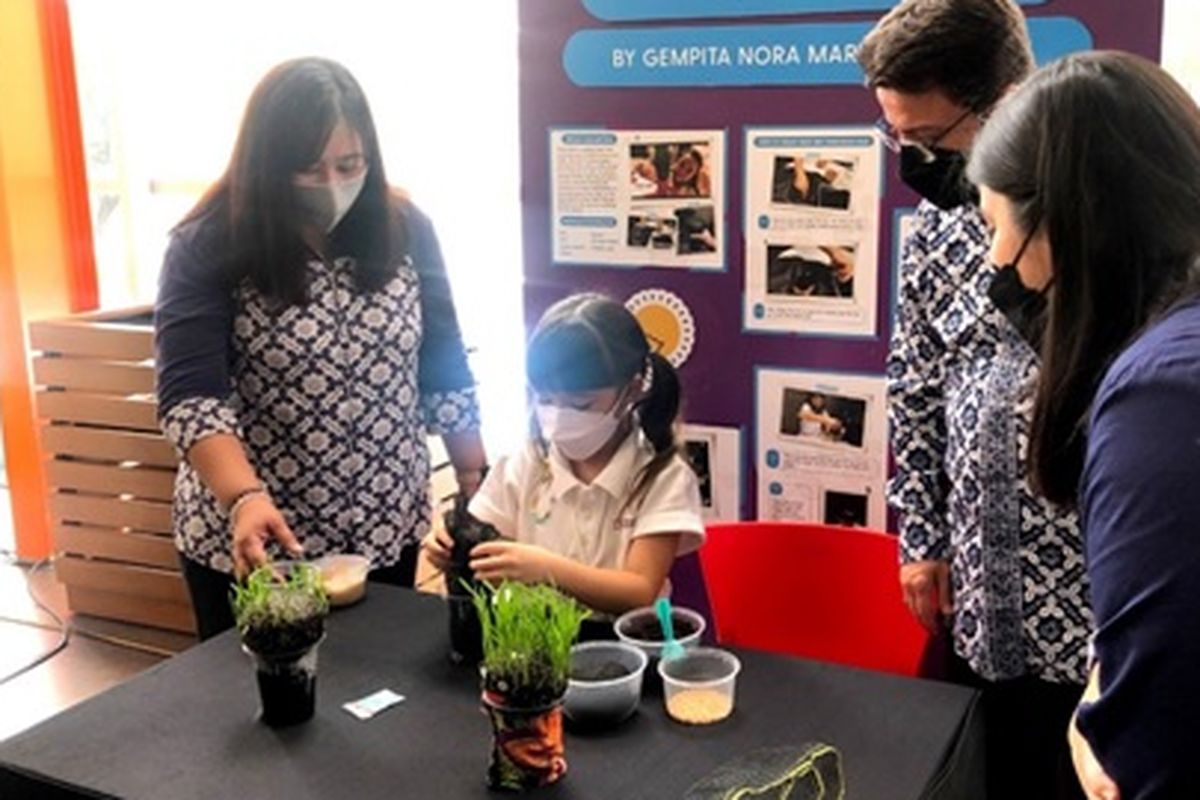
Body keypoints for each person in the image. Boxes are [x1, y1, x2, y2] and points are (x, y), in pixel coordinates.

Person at [155, 58, 487, 639]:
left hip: (383, 526)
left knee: (379, 698)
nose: (332, 184)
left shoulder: (404, 227)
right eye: (308, 169)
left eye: (349, 164)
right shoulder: (207, 244)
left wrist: (474, 475)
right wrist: (244, 497)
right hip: (260, 535)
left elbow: (443, 362)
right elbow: (191, 399)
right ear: (266, 165)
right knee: (266, 701)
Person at [858, 2, 1090, 798]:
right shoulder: (930, 232)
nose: (911, 158)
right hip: (976, 585)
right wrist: (920, 538)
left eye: (926, 138)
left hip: (1085, 589)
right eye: (897, 137)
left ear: (1005, 99)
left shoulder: (1101, 214)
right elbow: (916, 385)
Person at [968, 51, 1200, 800]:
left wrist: (1095, 731)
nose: (999, 260)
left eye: (995, 223)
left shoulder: (1160, 398)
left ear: (1063, 222)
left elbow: (1140, 762)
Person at [423, 293, 705, 615]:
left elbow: (639, 589)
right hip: (533, 640)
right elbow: (481, 540)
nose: (558, 416)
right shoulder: (526, 462)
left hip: (626, 647)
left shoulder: (661, 475)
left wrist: (549, 570)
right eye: (545, 399)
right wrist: (449, 544)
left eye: (581, 404)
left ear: (633, 389)